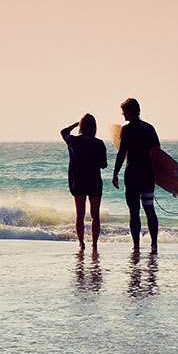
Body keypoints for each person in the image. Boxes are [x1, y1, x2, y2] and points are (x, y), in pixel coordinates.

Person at [111, 98, 160, 252]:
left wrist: (115, 174)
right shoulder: (150, 128)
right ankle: (154, 245)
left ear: (130, 112)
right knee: (149, 209)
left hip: (132, 175)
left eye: (124, 111)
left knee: (134, 212)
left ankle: (136, 246)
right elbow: (158, 152)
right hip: (147, 175)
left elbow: (121, 153)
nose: (122, 114)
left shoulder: (126, 130)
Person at [61, 114, 107, 251]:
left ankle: (81, 244)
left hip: (78, 181)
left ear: (81, 127)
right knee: (95, 215)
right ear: (94, 127)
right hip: (94, 181)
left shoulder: (73, 141)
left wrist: (75, 125)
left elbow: (63, 132)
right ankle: (94, 244)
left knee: (80, 214)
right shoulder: (99, 143)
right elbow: (103, 164)